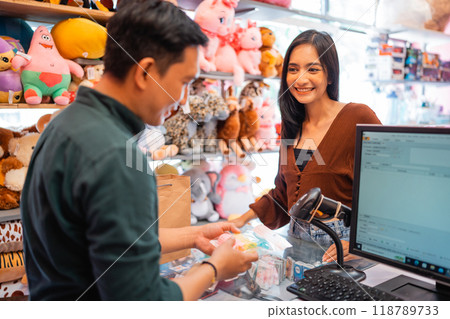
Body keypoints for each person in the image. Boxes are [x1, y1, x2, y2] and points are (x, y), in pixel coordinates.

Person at [21, 0, 257, 301]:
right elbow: (145, 301)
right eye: (184, 82)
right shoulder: (116, 157)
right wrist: (214, 268)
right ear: (145, 72)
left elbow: (105, 242)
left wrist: (194, 235)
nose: (183, 99)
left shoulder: (64, 123)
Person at [232, 30, 381, 263]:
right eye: (293, 69)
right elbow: (283, 194)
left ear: (330, 75)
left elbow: (384, 190)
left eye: (313, 69)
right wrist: (239, 221)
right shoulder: (291, 126)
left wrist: (362, 242)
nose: (301, 79)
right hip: (297, 249)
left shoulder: (358, 116)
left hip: (343, 253)